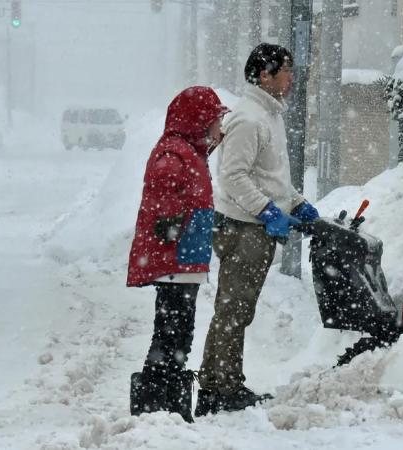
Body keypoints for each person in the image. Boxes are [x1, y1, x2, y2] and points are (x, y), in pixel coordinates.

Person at [195, 43, 319, 416]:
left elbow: (270, 176)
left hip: (255, 226)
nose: (291, 78)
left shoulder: (269, 115)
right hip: (243, 227)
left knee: (235, 308)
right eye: (286, 71)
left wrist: (295, 202)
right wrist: (267, 210)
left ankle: (217, 383)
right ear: (264, 75)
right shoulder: (249, 119)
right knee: (234, 310)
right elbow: (233, 176)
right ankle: (222, 388)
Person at [127, 86, 229, 423]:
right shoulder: (175, 152)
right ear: (198, 120)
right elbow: (165, 187)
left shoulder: (190, 151)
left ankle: (167, 396)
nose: (221, 127)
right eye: (216, 120)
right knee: (172, 331)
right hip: (176, 259)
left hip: (186, 259)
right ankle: (157, 399)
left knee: (179, 332)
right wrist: (172, 223)